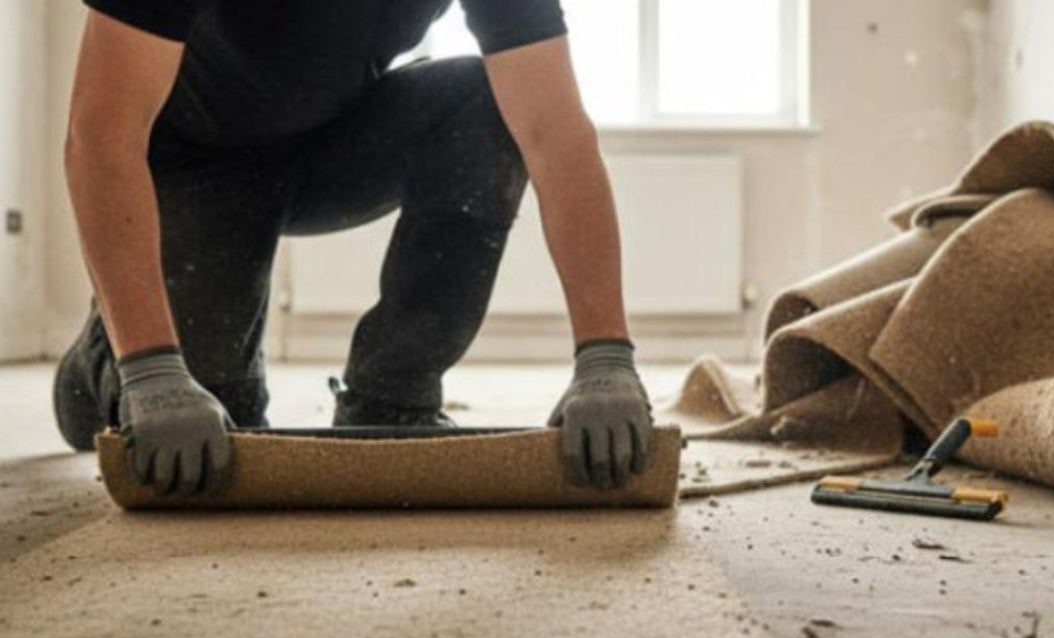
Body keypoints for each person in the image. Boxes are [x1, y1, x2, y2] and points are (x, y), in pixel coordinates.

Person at [54, 0, 654, 496]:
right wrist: (151, 367)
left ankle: (392, 399)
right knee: (216, 429)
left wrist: (604, 356)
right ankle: (103, 358)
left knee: (486, 105)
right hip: (199, 162)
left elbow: (555, 130)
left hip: (333, 141)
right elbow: (101, 133)